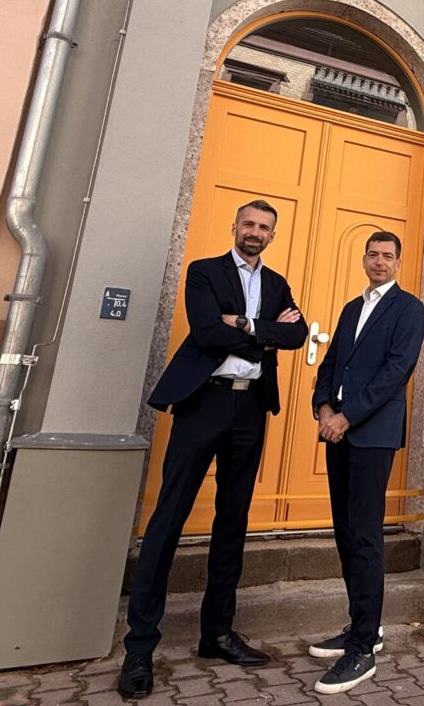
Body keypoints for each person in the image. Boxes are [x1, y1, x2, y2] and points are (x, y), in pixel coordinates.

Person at [118, 200, 309, 699]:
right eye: (249, 223)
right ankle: (140, 647)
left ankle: (217, 634)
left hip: (251, 412)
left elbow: (297, 334)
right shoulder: (204, 271)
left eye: (265, 227)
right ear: (235, 227)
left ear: (272, 235)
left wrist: (245, 326)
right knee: (169, 517)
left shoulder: (277, 285)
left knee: (233, 520)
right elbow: (204, 331)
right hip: (203, 404)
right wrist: (264, 336)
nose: (256, 232)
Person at [308, 231, 424, 695]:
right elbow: (332, 362)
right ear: (363, 259)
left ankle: (362, 651)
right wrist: (322, 408)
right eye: (373, 255)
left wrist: (347, 417)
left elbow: (396, 371)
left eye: (388, 256)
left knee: (364, 535)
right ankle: (363, 625)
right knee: (344, 532)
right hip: (335, 430)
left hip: (371, 435)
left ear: (398, 262)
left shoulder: (408, 309)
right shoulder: (351, 309)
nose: (380, 262)